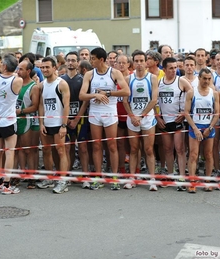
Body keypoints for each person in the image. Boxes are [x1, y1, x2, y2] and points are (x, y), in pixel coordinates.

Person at [79, 47, 130, 190]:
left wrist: (107, 93)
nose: (91, 61)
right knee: (96, 145)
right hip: (95, 112)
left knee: (112, 145)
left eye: (93, 58)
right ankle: (98, 176)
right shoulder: (89, 74)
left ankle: (114, 177)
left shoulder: (114, 72)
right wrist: (95, 95)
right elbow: (82, 95)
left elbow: (126, 91)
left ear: (101, 60)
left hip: (109, 112)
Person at [0, 54, 23, 195]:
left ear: (5, 66)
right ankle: (7, 184)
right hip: (8, 121)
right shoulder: (17, 80)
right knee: (9, 153)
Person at [122, 50, 158, 190]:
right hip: (132, 119)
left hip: (147, 119)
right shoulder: (128, 79)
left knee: (148, 149)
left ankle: (152, 179)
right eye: (136, 61)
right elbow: (125, 101)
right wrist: (133, 117)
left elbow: (154, 100)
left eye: (141, 61)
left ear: (146, 62)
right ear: (133, 63)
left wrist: (141, 116)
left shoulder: (152, 78)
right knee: (133, 149)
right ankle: (131, 178)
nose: (139, 64)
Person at [157, 57, 193, 190]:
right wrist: (157, 117)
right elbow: (155, 101)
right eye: (171, 68)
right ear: (164, 69)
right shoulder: (159, 82)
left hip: (177, 120)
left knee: (180, 149)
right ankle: (171, 174)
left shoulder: (181, 81)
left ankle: (182, 176)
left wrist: (184, 112)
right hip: (164, 120)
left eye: (175, 67)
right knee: (167, 149)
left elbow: (192, 94)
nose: (174, 70)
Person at [37, 57, 71, 194]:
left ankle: (63, 181)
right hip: (46, 123)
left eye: (47, 67)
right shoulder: (42, 85)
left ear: (54, 68)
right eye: (42, 67)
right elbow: (40, 105)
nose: (45, 70)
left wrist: (63, 125)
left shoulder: (61, 84)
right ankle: (50, 178)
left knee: (61, 151)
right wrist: (41, 123)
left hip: (58, 124)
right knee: (46, 151)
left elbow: (67, 105)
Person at [184, 68, 220, 193]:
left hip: (208, 126)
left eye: (209, 79)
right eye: (204, 78)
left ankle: (208, 181)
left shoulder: (214, 93)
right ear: (199, 78)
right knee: (194, 155)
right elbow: (186, 113)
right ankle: (192, 182)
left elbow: (217, 113)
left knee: (208, 154)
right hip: (196, 126)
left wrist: (210, 128)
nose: (206, 81)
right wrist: (195, 129)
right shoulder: (191, 92)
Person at [60, 52, 90, 188]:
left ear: (78, 63)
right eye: (68, 60)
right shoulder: (61, 80)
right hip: (65, 119)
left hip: (81, 119)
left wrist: (77, 119)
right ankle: (67, 174)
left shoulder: (83, 79)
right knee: (67, 147)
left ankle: (85, 176)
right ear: (65, 62)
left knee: (83, 147)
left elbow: (85, 101)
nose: (71, 63)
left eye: (73, 60)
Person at [15, 60, 40, 189]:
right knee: (18, 148)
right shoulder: (16, 83)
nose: (18, 71)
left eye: (21, 69)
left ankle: (31, 177)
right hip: (16, 119)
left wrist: (22, 111)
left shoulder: (33, 86)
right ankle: (19, 174)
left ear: (28, 71)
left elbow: (35, 106)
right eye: (18, 69)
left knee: (28, 149)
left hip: (27, 119)